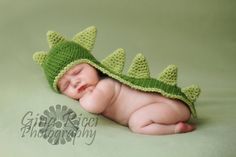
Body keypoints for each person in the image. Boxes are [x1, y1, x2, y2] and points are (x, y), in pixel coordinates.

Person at [33, 26, 201, 135]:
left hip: (171, 106)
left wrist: (85, 97)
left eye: (78, 71)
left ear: (93, 66)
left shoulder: (107, 85)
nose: (75, 82)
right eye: (66, 85)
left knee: (137, 123)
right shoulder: (96, 88)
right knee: (137, 120)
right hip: (161, 109)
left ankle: (175, 128)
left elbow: (93, 106)